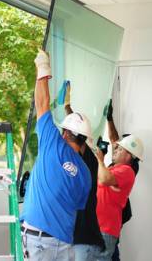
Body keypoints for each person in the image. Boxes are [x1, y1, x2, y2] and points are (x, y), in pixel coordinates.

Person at [20, 50, 92, 260]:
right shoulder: (86, 174)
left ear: (65, 133)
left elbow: (42, 104)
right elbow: (77, 205)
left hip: (38, 241)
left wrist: (43, 69)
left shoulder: (53, 145)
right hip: (64, 244)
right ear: (84, 140)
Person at [61, 82, 106, 261]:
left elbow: (77, 133)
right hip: (83, 239)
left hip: (84, 240)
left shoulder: (86, 160)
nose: (63, 138)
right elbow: (77, 132)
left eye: (65, 133)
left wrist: (68, 109)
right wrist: (67, 107)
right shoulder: (82, 157)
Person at [93, 122, 144, 260]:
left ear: (129, 156)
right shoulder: (113, 168)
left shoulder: (127, 171)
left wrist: (100, 160)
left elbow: (103, 179)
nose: (115, 150)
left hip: (106, 230)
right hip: (98, 227)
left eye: (120, 149)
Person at [105, 100, 139, 261]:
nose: (116, 148)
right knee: (112, 251)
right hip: (108, 218)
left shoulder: (130, 168)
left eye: (121, 148)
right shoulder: (119, 161)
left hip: (114, 216)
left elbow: (113, 140)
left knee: (111, 249)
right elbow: (114, 140)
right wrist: (109, 118)